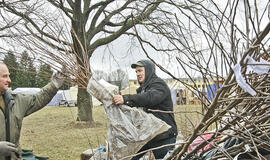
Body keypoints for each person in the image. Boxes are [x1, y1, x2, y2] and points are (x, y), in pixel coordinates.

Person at [113, 59, 178, 160]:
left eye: (140, 71)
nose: (137, 74)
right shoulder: (143, 88)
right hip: (148, 134)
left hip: (164, 136)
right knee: (130, 157)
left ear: (148, 70)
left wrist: (126, 98)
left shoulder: (159, 85)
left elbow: (150, 98)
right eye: (136, 71)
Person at [0, 62, 64, 160]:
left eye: (9, 76)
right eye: (4, 76)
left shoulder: (15, 100)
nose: (9, 80)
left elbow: (37, 99)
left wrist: (54, 85)